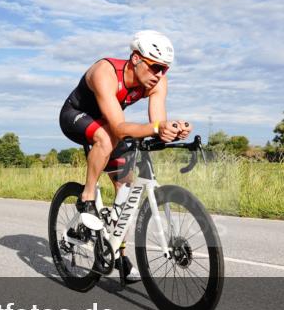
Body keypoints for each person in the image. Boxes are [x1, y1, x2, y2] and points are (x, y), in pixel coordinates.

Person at [58, 30, 192, 281]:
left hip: (110, 123)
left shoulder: (158, 81)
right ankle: (87, 195)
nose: (160, 75)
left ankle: (117, 252)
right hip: (76, 116)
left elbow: (157, 123)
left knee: (126, 188)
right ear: (136, 58)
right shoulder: (105, 72)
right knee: (105, 137)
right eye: (155, 67)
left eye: (165, 69)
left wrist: (172, 130)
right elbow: (119, 128)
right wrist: (155, 129)